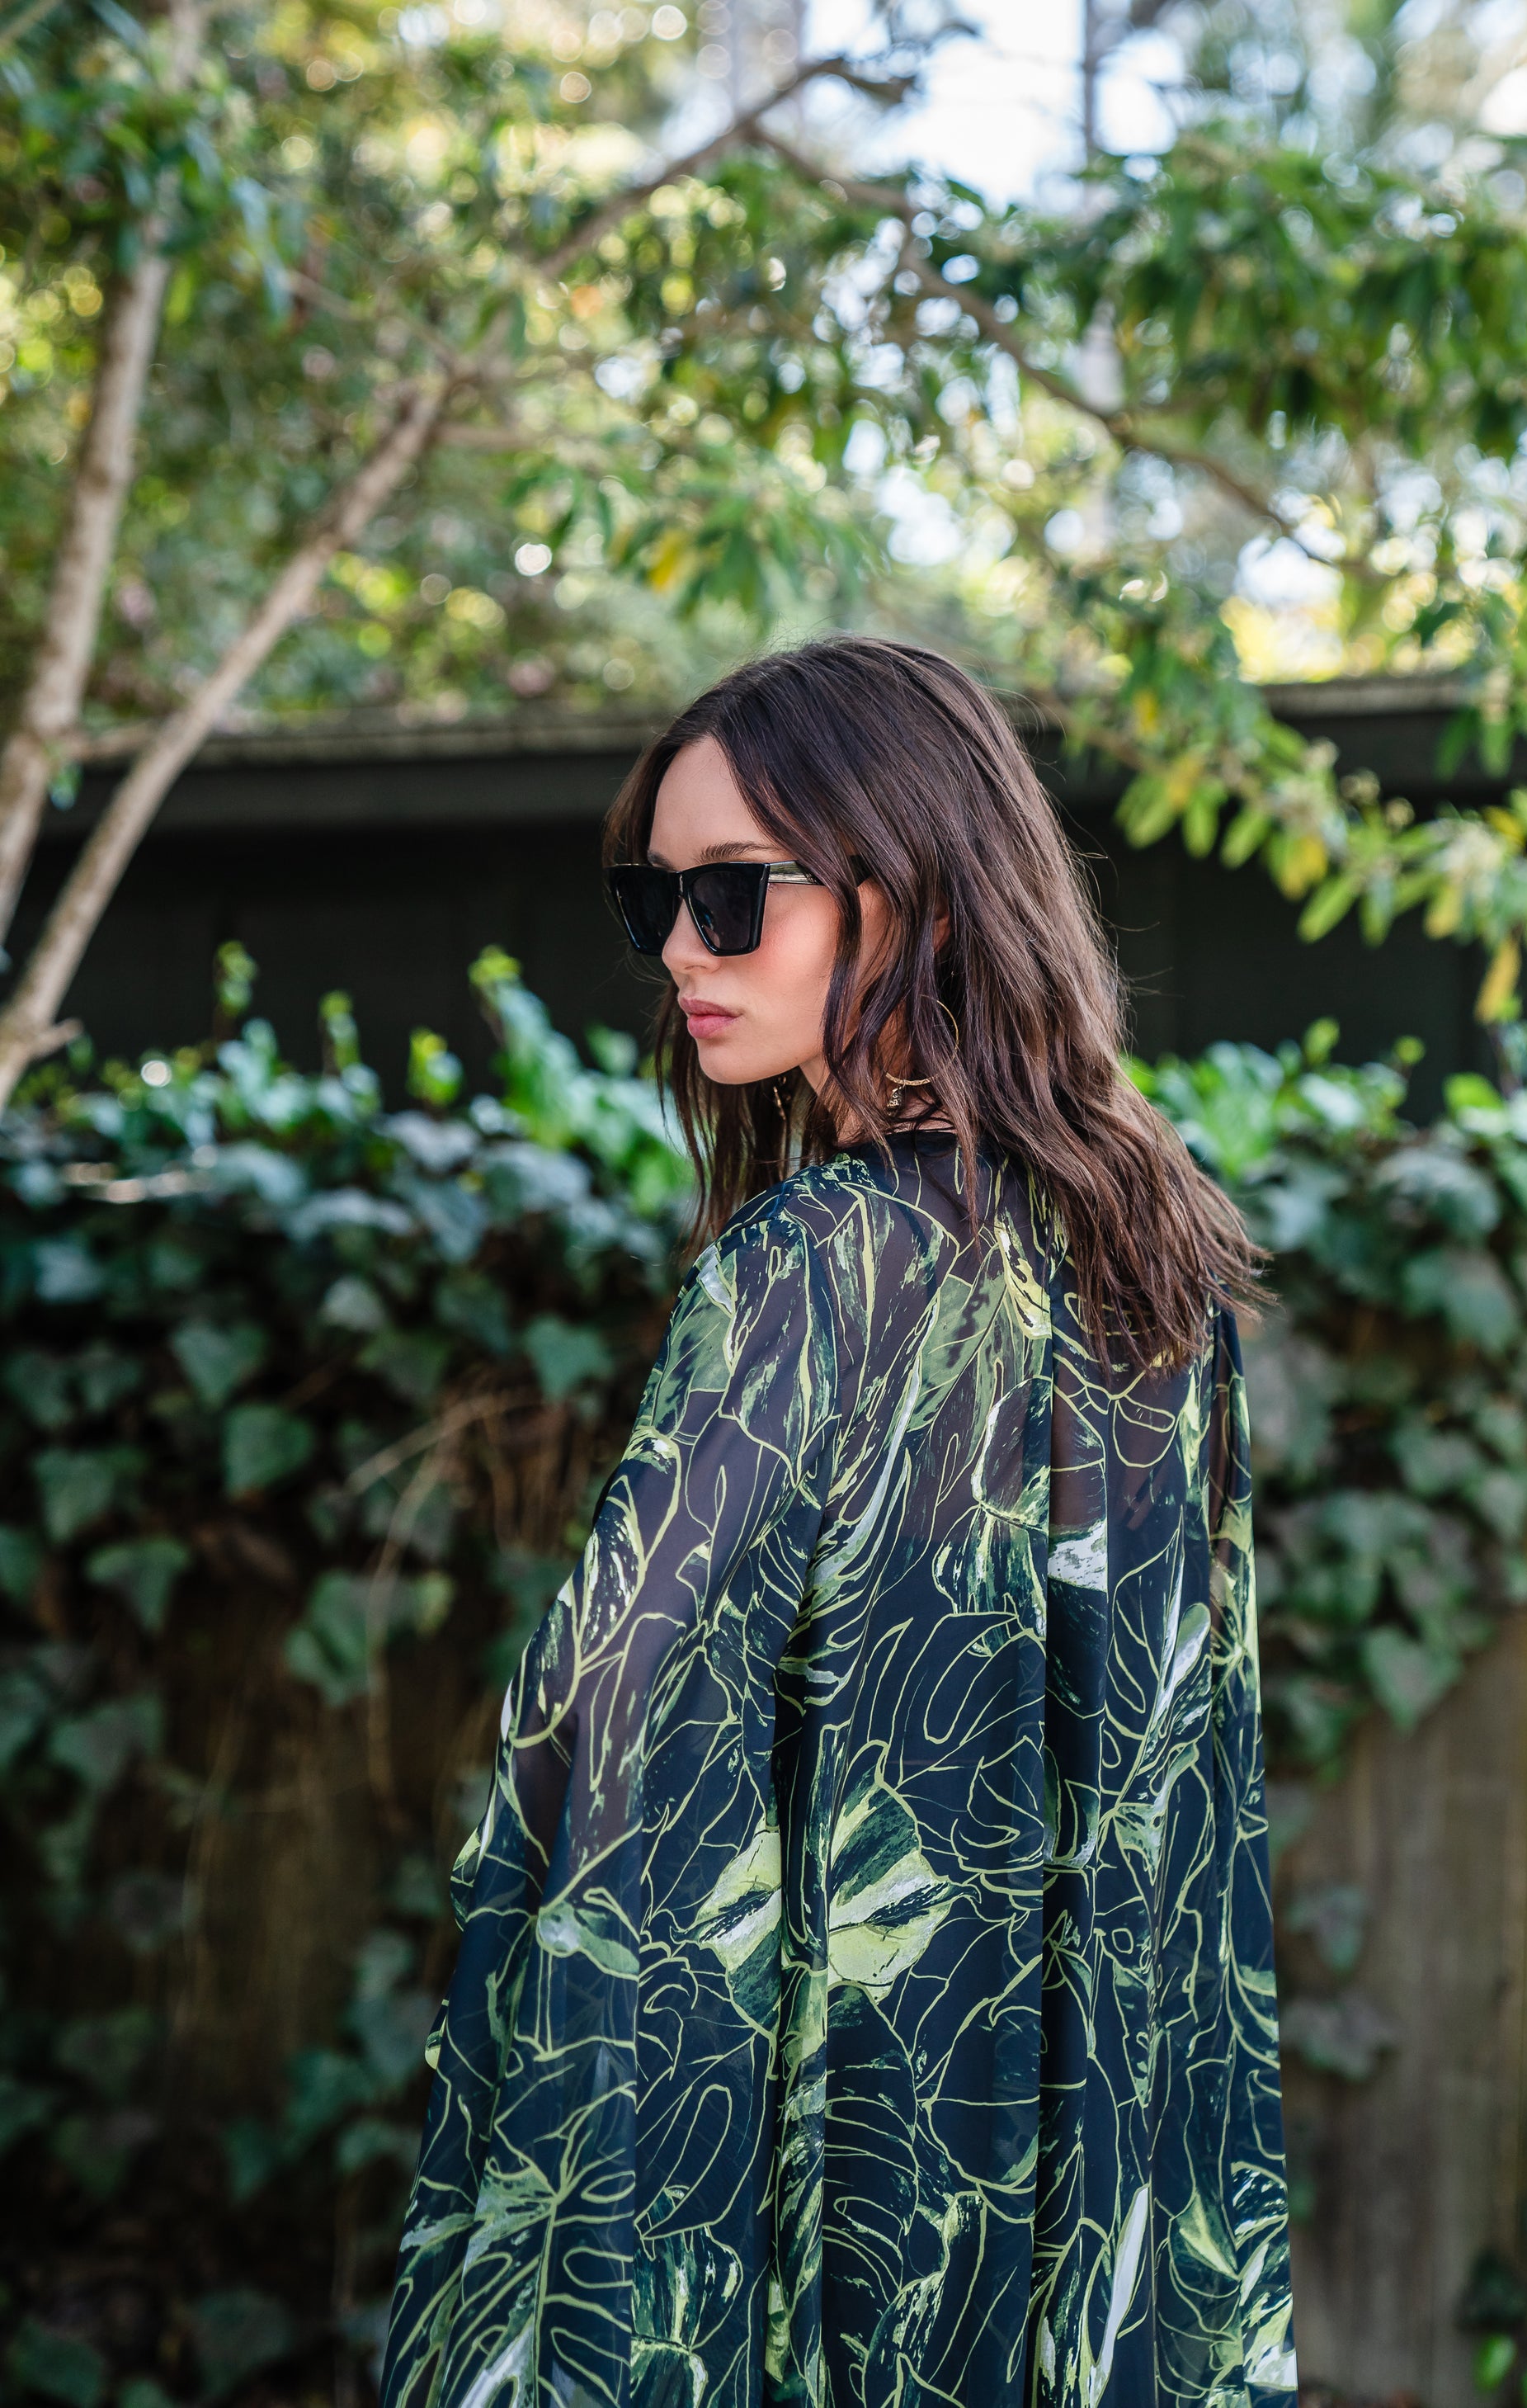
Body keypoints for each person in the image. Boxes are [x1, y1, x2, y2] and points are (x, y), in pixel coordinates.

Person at [379, 637, 1297, 2408]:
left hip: (853, 2160)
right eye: (655, 896)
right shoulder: (1152, 1267)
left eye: (734, 898)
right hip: (1084, 2164)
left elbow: (599, 1736)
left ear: (918, 896)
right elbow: (1175, 1806)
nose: (674, 952)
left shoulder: (806, 1266)